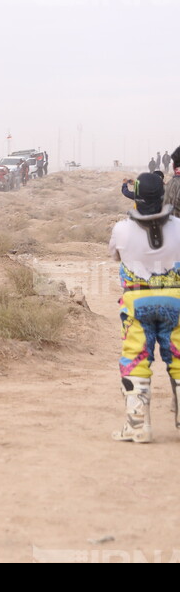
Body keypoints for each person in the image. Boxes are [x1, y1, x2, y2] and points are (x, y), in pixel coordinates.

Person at [109, 172, 180, 443]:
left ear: (135, 196)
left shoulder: (121, 229)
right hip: (176, 300)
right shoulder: (179, 227)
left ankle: (138, 425)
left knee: (136, 358)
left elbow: (116, 254)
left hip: (137, 301)